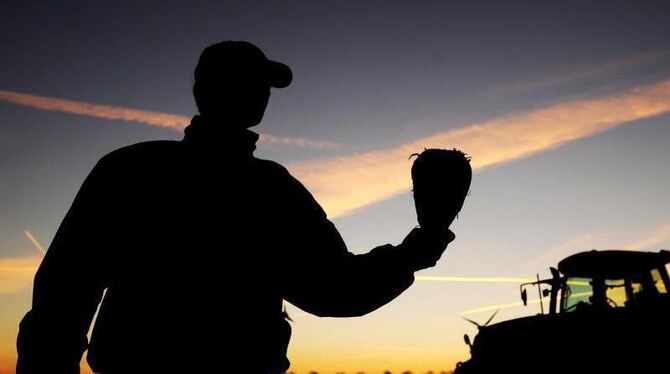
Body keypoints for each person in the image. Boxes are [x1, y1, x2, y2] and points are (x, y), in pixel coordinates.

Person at [17, 41, 465, 374]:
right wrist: (422, 243)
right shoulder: (270, 190)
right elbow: (335, 290)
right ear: (207, 89)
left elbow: (62, 295)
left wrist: (423, 241)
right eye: (254, 83)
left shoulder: (129, 169)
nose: (263, 93)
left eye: (264, 86)